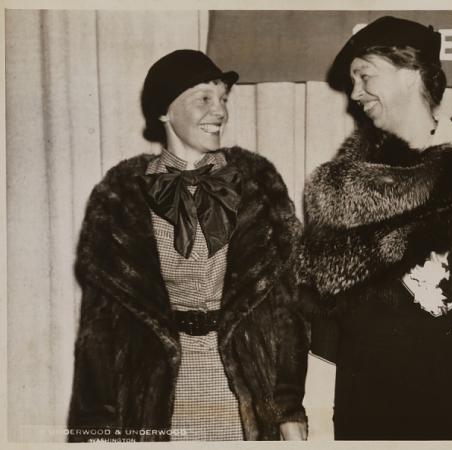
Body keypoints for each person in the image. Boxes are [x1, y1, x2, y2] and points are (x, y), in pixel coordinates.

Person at [299, 17, 452, 440]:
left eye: (365, 76)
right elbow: (328, 307)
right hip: (360, 407)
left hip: (450, 406)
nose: (355, 94)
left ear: (411, 74)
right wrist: (318, 412)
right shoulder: (346, 178)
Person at [67, 49, 308, 442]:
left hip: (239, 396)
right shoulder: (120, 196)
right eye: (204, 99)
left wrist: (288, 408)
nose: (220, 112)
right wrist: (96, 427)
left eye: (223, 100)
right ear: (164, 111)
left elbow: (287, 312)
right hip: (155, 399)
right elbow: (99, 330)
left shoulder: (258, 185)